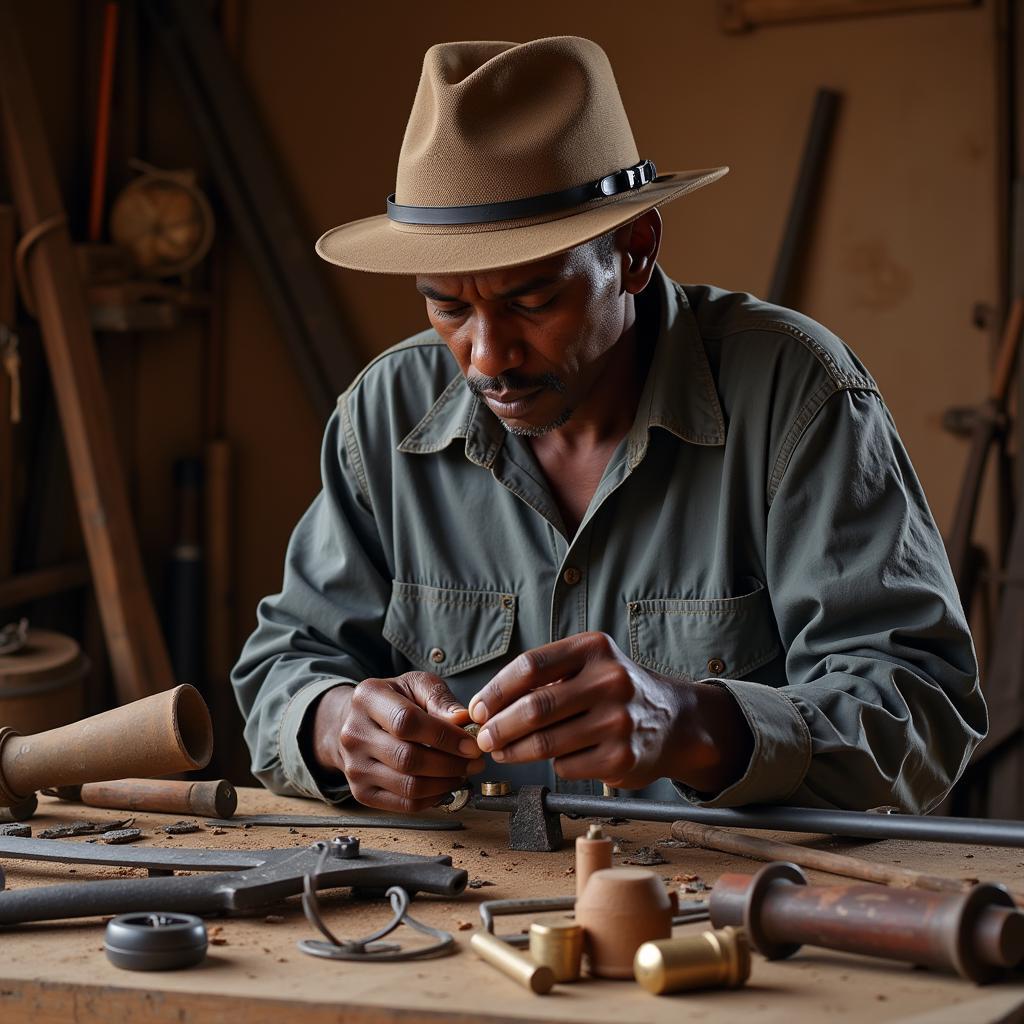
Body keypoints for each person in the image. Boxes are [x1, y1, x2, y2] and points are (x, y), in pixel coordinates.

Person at [231, 36, 985, 815]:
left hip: (719, 912)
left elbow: (922, 710)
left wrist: (698, 725)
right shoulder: (385, 413)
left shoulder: (798, 397)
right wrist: (335, 726)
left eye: (531, 301)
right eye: (448, 306)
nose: (488, 358)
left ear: (635, 249)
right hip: (455, 911)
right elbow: (281, 671)